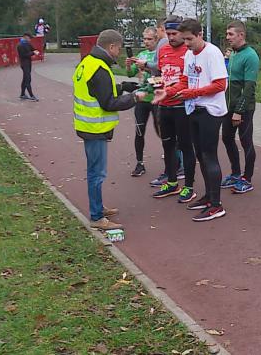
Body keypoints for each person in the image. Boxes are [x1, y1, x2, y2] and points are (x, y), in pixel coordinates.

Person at [154, 19, 229, 221]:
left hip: (211, 111)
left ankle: (216, 205)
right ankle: (208, 196)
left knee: (209, 155)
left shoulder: (212, 53)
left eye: (189, 39)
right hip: (194, 108)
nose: (186, 43)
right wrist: (168, 92)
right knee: (200, 155)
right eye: (184, 39)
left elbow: (220, 85)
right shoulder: (189, 54)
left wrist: (192, 93)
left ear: (199, 35)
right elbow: (185, 81)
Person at [73, 29, 146, 230]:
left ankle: (98, 207)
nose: (119, 52)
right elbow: (109, 102)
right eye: (119, 49)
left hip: (87, 126)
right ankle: (97, 217)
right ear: (112, 46)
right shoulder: (100, 69)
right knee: (97, 173)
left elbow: (101, 90)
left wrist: (126, 86)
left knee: (94, 171)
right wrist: (135, 98)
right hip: (95, 128)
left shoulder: (88, 63)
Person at [152, 15, 198, 204]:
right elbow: (160, 74)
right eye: (168, 33)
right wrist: (155, 86)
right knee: (167, 145)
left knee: (186, 146)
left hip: (182, 106)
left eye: (174, 34)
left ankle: (189, 186)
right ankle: (171, 182)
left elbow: (190, 79)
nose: (171, 37)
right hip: (164, 106)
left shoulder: (189, 52)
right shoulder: (162, 50)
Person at [221, 20, 260, 194]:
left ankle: (247, 178)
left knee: (246, 142)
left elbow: (249, 88)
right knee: (227, 138)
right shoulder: (233, 54)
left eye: (231, 34)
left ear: (241, 35)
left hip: (243, 108)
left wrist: (239, 111)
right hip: (228, 106)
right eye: (227, 34)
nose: (227, 37)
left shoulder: (250, 56)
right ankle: (236, 173)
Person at [126, 27, 159, 177]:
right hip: (141, 99)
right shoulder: (141, 54)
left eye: (149, 39)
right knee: (139, 131)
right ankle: (139, 164)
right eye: (144, 39)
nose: (146, 42)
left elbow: (160, 73)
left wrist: (146, 67)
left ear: (156, 39)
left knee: (162, 132)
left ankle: (175, 162)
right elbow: (130, 73)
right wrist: (128, 64)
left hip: (157, 99)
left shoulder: (159, 54)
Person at [16, 33, 38, 101]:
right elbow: (24, 55)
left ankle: (22, 94)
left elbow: (33, 49)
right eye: (29, 38)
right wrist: (33, 53)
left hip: (28, 63)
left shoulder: (27, 43)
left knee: (25, 79)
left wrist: (35, 51)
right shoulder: (20, 45)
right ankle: (31, 95)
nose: (30, 39)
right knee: (28, 79)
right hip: (24, 63)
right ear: (25, 37)